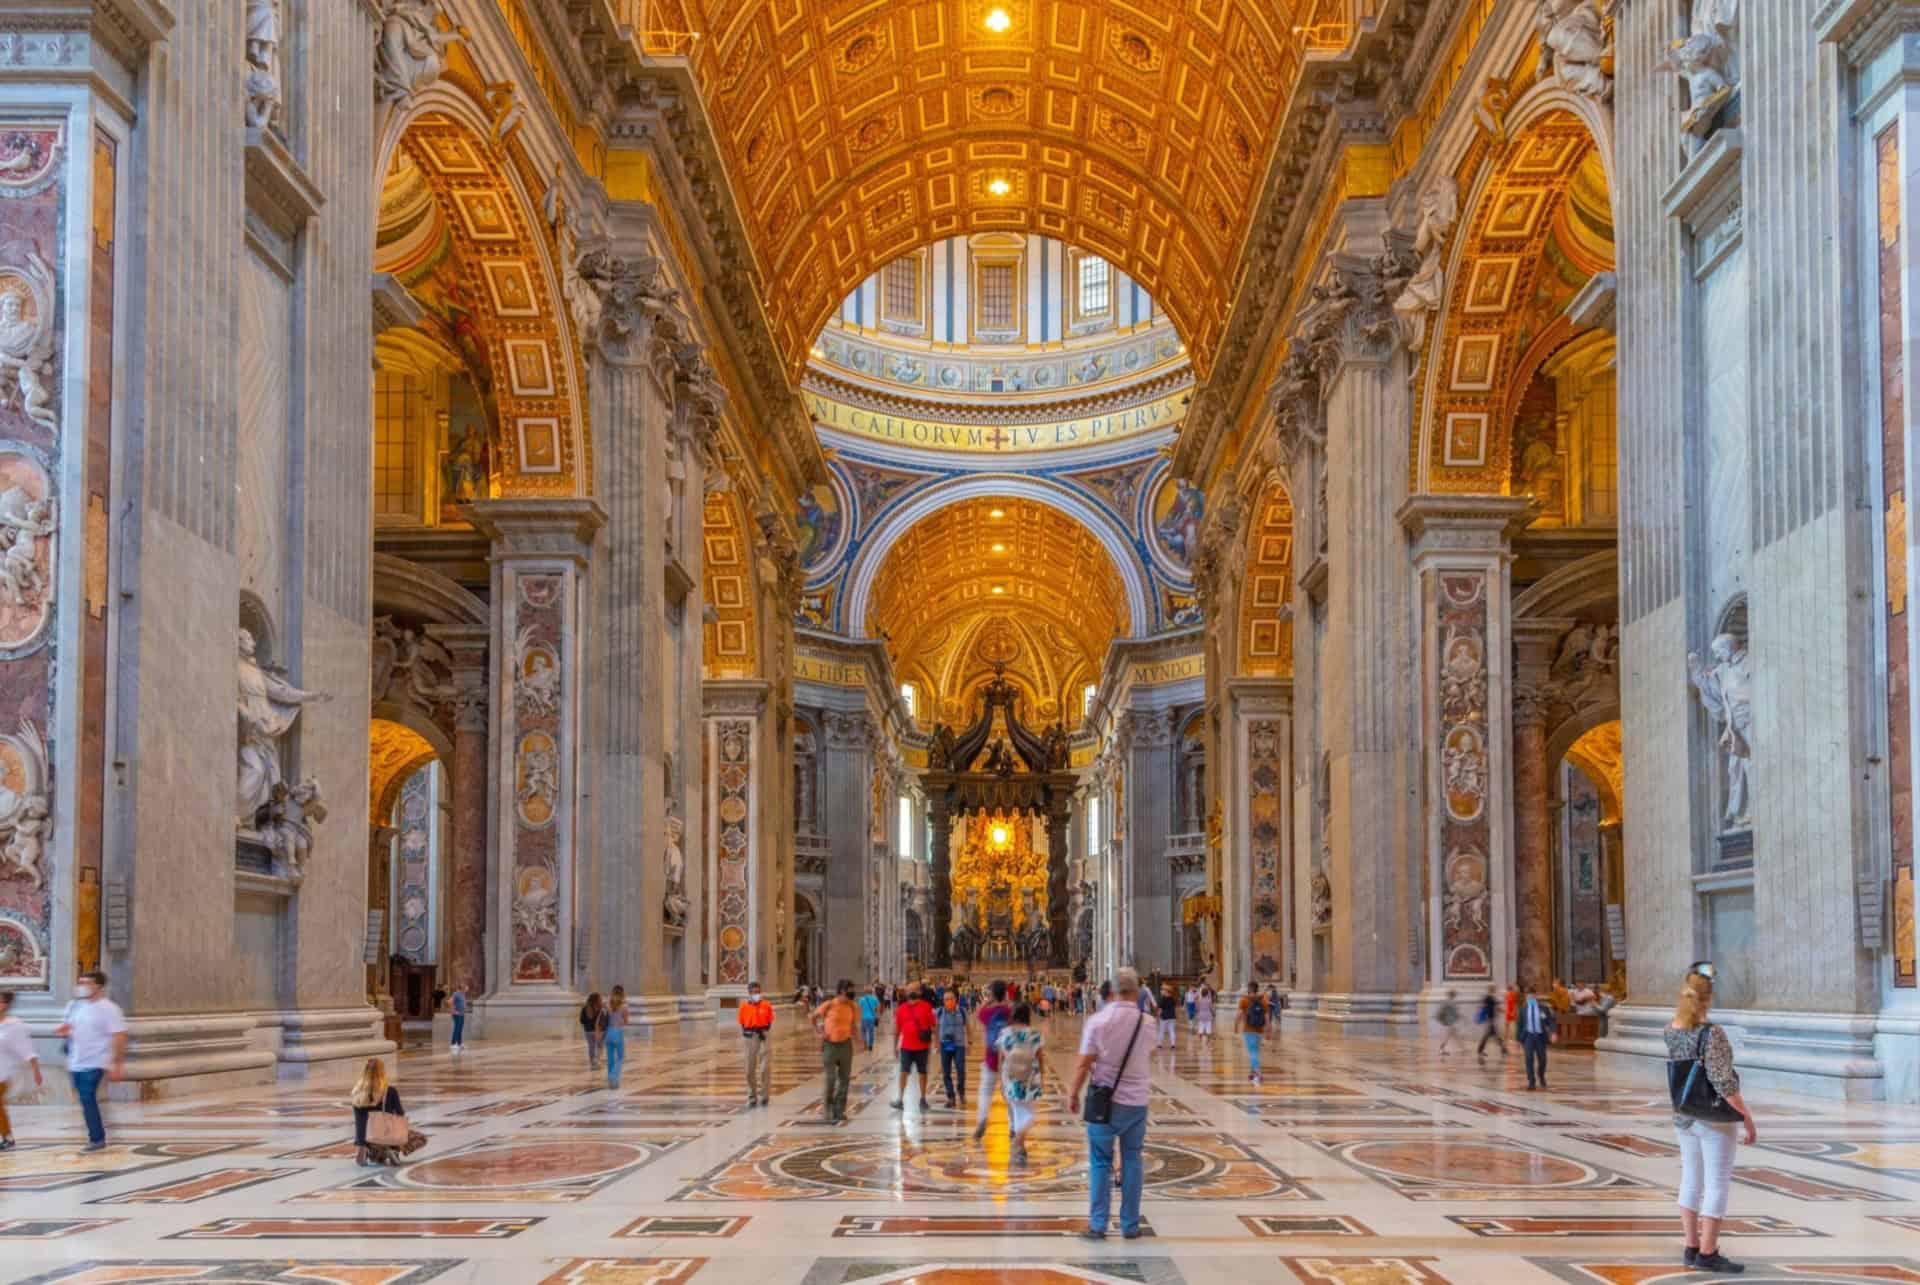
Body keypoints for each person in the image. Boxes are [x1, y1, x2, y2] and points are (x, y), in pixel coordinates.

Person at [1667, 965, 1757, 1275]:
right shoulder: (1712, 1033)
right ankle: (1708, 1252)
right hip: (1713, 1117)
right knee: (1716, 1183)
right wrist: (1746, 1118)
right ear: (1709, 998)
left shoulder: (1672, 1029)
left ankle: (1691, 1246)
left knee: (1691, 1178)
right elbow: (1724, 1083)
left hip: (1683, 1114)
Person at [1069, 967, 1152, 1241]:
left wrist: (1072, 1093)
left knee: (1100, 1162)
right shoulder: (1148, 1023)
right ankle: (1130, 1226)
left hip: (1103, 1103)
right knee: (1132, 1160)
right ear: (1137, 991)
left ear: (1113, 990)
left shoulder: (1098, 1021)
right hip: (1137, 1103)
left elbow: (1083, 1063)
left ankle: (1098, 1224)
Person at [56, 970, 125, 1151]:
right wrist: (64, 1030)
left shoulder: (109, 1009)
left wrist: (117, 1063)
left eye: (87, 983)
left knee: (87, 1097)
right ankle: (99, 1131)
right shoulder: (74, 1006)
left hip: (97, 1060)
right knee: (86, 1099)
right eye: (81, 982)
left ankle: (97, 1138)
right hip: (75, 1060)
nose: (82, 986)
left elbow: (119, 1035)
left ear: (99, 986)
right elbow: (69, 1027)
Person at [348, 1056, 421, 1166]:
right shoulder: (390, 1091)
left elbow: (359, 1120)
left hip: (364, 1137)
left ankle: (370, 1151)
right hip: (383, 1133)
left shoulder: (356, 1092)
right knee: (418, 1137)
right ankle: (393, 1149)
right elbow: (400, 1113)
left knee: (367, 1128)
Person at [997, 1002, 1046, 1166]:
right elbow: (1040, 1056)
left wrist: (1000, 1080)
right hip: (1030, 1077)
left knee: (1018, 1110)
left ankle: (1019, 1144)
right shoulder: (1034, 1034)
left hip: (1010, 1076)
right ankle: (1018, 1143)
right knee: (1028, 1114)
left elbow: (1001, 1058)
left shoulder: (1005, 1033)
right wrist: (1043, 1076)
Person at [0, 990, 42, 1150]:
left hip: (3, 1072)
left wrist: (36, 1069)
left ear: (6, 1005)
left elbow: (26, 1048)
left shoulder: (14, 1025)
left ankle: (7, 1136)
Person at [812, 979, 858, 1124]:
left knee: (844, 1080)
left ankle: (839, 1110)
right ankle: (827, 1108)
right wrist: (819, 1032)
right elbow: (813, 1017)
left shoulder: (853, 1007)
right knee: (830, 1079)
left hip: (845, 1045)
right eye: (850, 990)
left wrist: (858, 1039)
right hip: (830, 1045)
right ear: (842, 991)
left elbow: (854, 1025)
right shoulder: (829, 1004)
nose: (852, 993)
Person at [972, 980, 1014, 1141]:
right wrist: (1007, 1001)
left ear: (991, 994)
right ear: (1005, 993)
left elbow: (978, 1014)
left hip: (990, 1056)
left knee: (985, 1091)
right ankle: (1013, 1127)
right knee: (1010, 1093)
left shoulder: (987, 1013)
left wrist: (987, 1001)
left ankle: (982, 1119)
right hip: (1008, 1057)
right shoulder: (1008, 1011)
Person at [890, 982, 936, 1112]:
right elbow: (897, 1030)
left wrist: (935, 1043)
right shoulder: (901, 1008)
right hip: (906, 1047)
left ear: (920, 992)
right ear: (906, 992)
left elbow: (933, 1025)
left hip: (922, 1046)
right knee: (903, 1072)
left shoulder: (926, 1007)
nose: (912, 991)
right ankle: (900, 1099)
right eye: (909, 989)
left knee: (923, 1073)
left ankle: (923, 1098)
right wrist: (895, 1047)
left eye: (915, 989)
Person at [738, 980, 774, 1106]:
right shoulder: (744, 1007)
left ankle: (764, 1095)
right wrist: (748, 1033)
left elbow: (770, 1021)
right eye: (754, 993)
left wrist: (763, 1031)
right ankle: (752, 1095)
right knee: (749, 1068)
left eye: (758, 992)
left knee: (765, 1068)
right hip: (750, 1036)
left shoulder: (766, 1005)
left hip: (764, 1035)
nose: (756, 995)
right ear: (749, 993)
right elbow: (742, 1023)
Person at [1517, 983, 1558, 1090]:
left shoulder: (1543, 1008)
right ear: (1526, 996)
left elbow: (1551, 1021)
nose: (1530, 997)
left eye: (1532, 995)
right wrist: (1518, 1040)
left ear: (1536, 995)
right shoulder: (1523, 1010)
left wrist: (1553, 1033)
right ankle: (1531, 1081)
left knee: (1542, 1059)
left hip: (1540, 1037)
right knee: (1529, 1058)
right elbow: (1519, 1025)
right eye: (1528, 995)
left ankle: (1541, 1075)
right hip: (1528, 1037)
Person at [937, 989, 969, 1108]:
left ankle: (961, 1091)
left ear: (956, 1000)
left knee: (960, 1069)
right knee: (946, 1071)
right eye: (946, 999)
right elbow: (935, 1027)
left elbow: (968, 1027)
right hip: (945, 1044)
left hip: (959, 1044)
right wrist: (936, 1043)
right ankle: (951, 1096)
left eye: (951, 999)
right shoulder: (939, 1012)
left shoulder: (962, 1011)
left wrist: (969, 1042)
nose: (948, 1001)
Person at [1234, 980, 1267, 1085]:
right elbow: (1267, 1017)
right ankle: (1252, 1073)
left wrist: (1235, 1025)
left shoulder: (1244, 1000)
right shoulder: (1263, 1000)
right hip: (1259, 1030)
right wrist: (1269, 1030)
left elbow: (1239, 1014)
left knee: (1252, 1053)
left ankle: (1258, 1073)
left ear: (1249, 989)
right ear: (1257, 989)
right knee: (1256, 1052)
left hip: (1248, 1030)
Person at [604, 985, 630, 1089]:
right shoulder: (624, 1006)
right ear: (622, 994)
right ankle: (613, 1076)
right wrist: (622, 1020)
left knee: (610, 1058)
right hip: (617, 1032)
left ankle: (611, 1082)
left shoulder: (607, 1005)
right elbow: (626, 1021)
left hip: (608, 1032)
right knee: (620, 1057)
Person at [1476, 987, 1507, 1061]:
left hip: (1490, 1019)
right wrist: (1503, 1011)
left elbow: (1483, 1006)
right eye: (1494, 990)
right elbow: (1495, 1008)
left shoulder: (1488, 998)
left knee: (1492, 1035)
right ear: (1492, 990)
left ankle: (1502, 1048)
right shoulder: (1491, 998)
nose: (1495, 991)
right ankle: (1503, 1049)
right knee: (1492, 1035)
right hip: (1490, 1019)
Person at [579, 992, 607, 1070]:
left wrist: (587, 1025)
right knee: (599, 1046)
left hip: (588, 1031)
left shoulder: (585, 1008)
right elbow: (604, 1020)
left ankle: (592, 1063)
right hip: (599, 1031)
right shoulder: (601, 1008)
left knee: (591, 1046)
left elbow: (581, 1020)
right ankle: (597, 1061)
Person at [1435, 989, 1462, 1055]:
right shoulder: (1449, 1002)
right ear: (1453, 995)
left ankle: (1462, 1048)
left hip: (1450, 1021)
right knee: (1448, 1036)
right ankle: (1441, 1049)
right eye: (1454, 994)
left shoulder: (1448, 1001)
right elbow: (1453, 1012)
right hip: (1449, 1022)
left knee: (1455, 1035)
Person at [1155, 983, 1179, 1049]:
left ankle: (1159, 1044)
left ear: (1166, 991)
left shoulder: (1163, 999)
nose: (1161, 991)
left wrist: (1157, 1017)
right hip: (1172, 1017)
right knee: (1172, 1031)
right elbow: (1174, 1007)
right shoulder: (1172, 998)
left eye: (1162, 990)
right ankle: (1173, 1044)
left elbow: (1160, 1009)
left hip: (1164, 1017)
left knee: (1161, 1031)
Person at [857, 986, 880, 1053]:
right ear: (871, 992)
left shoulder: (861, 999)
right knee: (871, 1032)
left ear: (865, 992)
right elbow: (878, 1009)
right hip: (872, 1018)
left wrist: (858, 1018)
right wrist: (877, 1017)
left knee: (863, 1032)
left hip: (863, 1018)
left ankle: (865, 1045)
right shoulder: (875, 999)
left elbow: (859, 1009)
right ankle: (870, 1046)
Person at [448, 983, 468, 1057]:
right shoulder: (456, 994)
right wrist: (453, 1011)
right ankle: (453, 1044)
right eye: (466, 988)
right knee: (457, 1029)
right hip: (457, 1014)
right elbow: (450, 1002)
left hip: (462, 1014)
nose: (467, 989)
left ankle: (459, 1043)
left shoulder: (463, 994)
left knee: (460, 1029)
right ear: (462, 988)